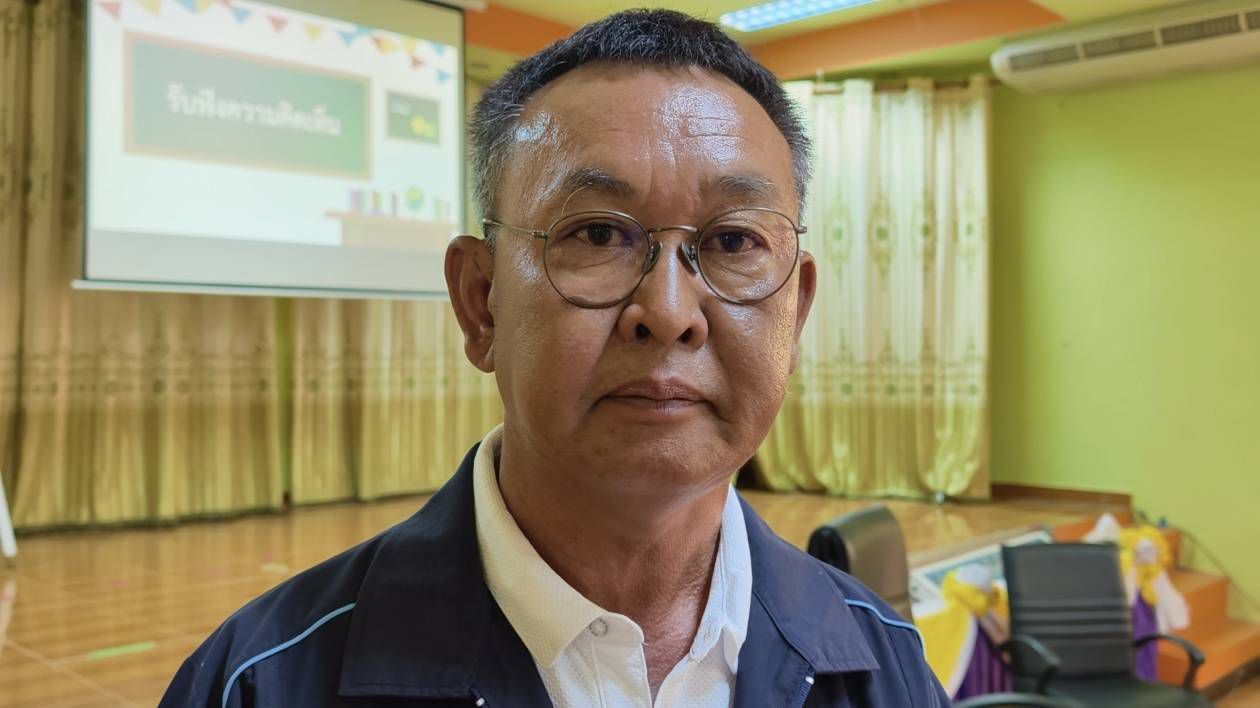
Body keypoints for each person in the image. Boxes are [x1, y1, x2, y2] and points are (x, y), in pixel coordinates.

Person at [161, 9, 949, 707]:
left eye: (734, 241)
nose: (669, 314)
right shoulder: (260, 682)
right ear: (481, 302)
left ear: (795, 312)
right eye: (598, 234)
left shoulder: (886, 667)